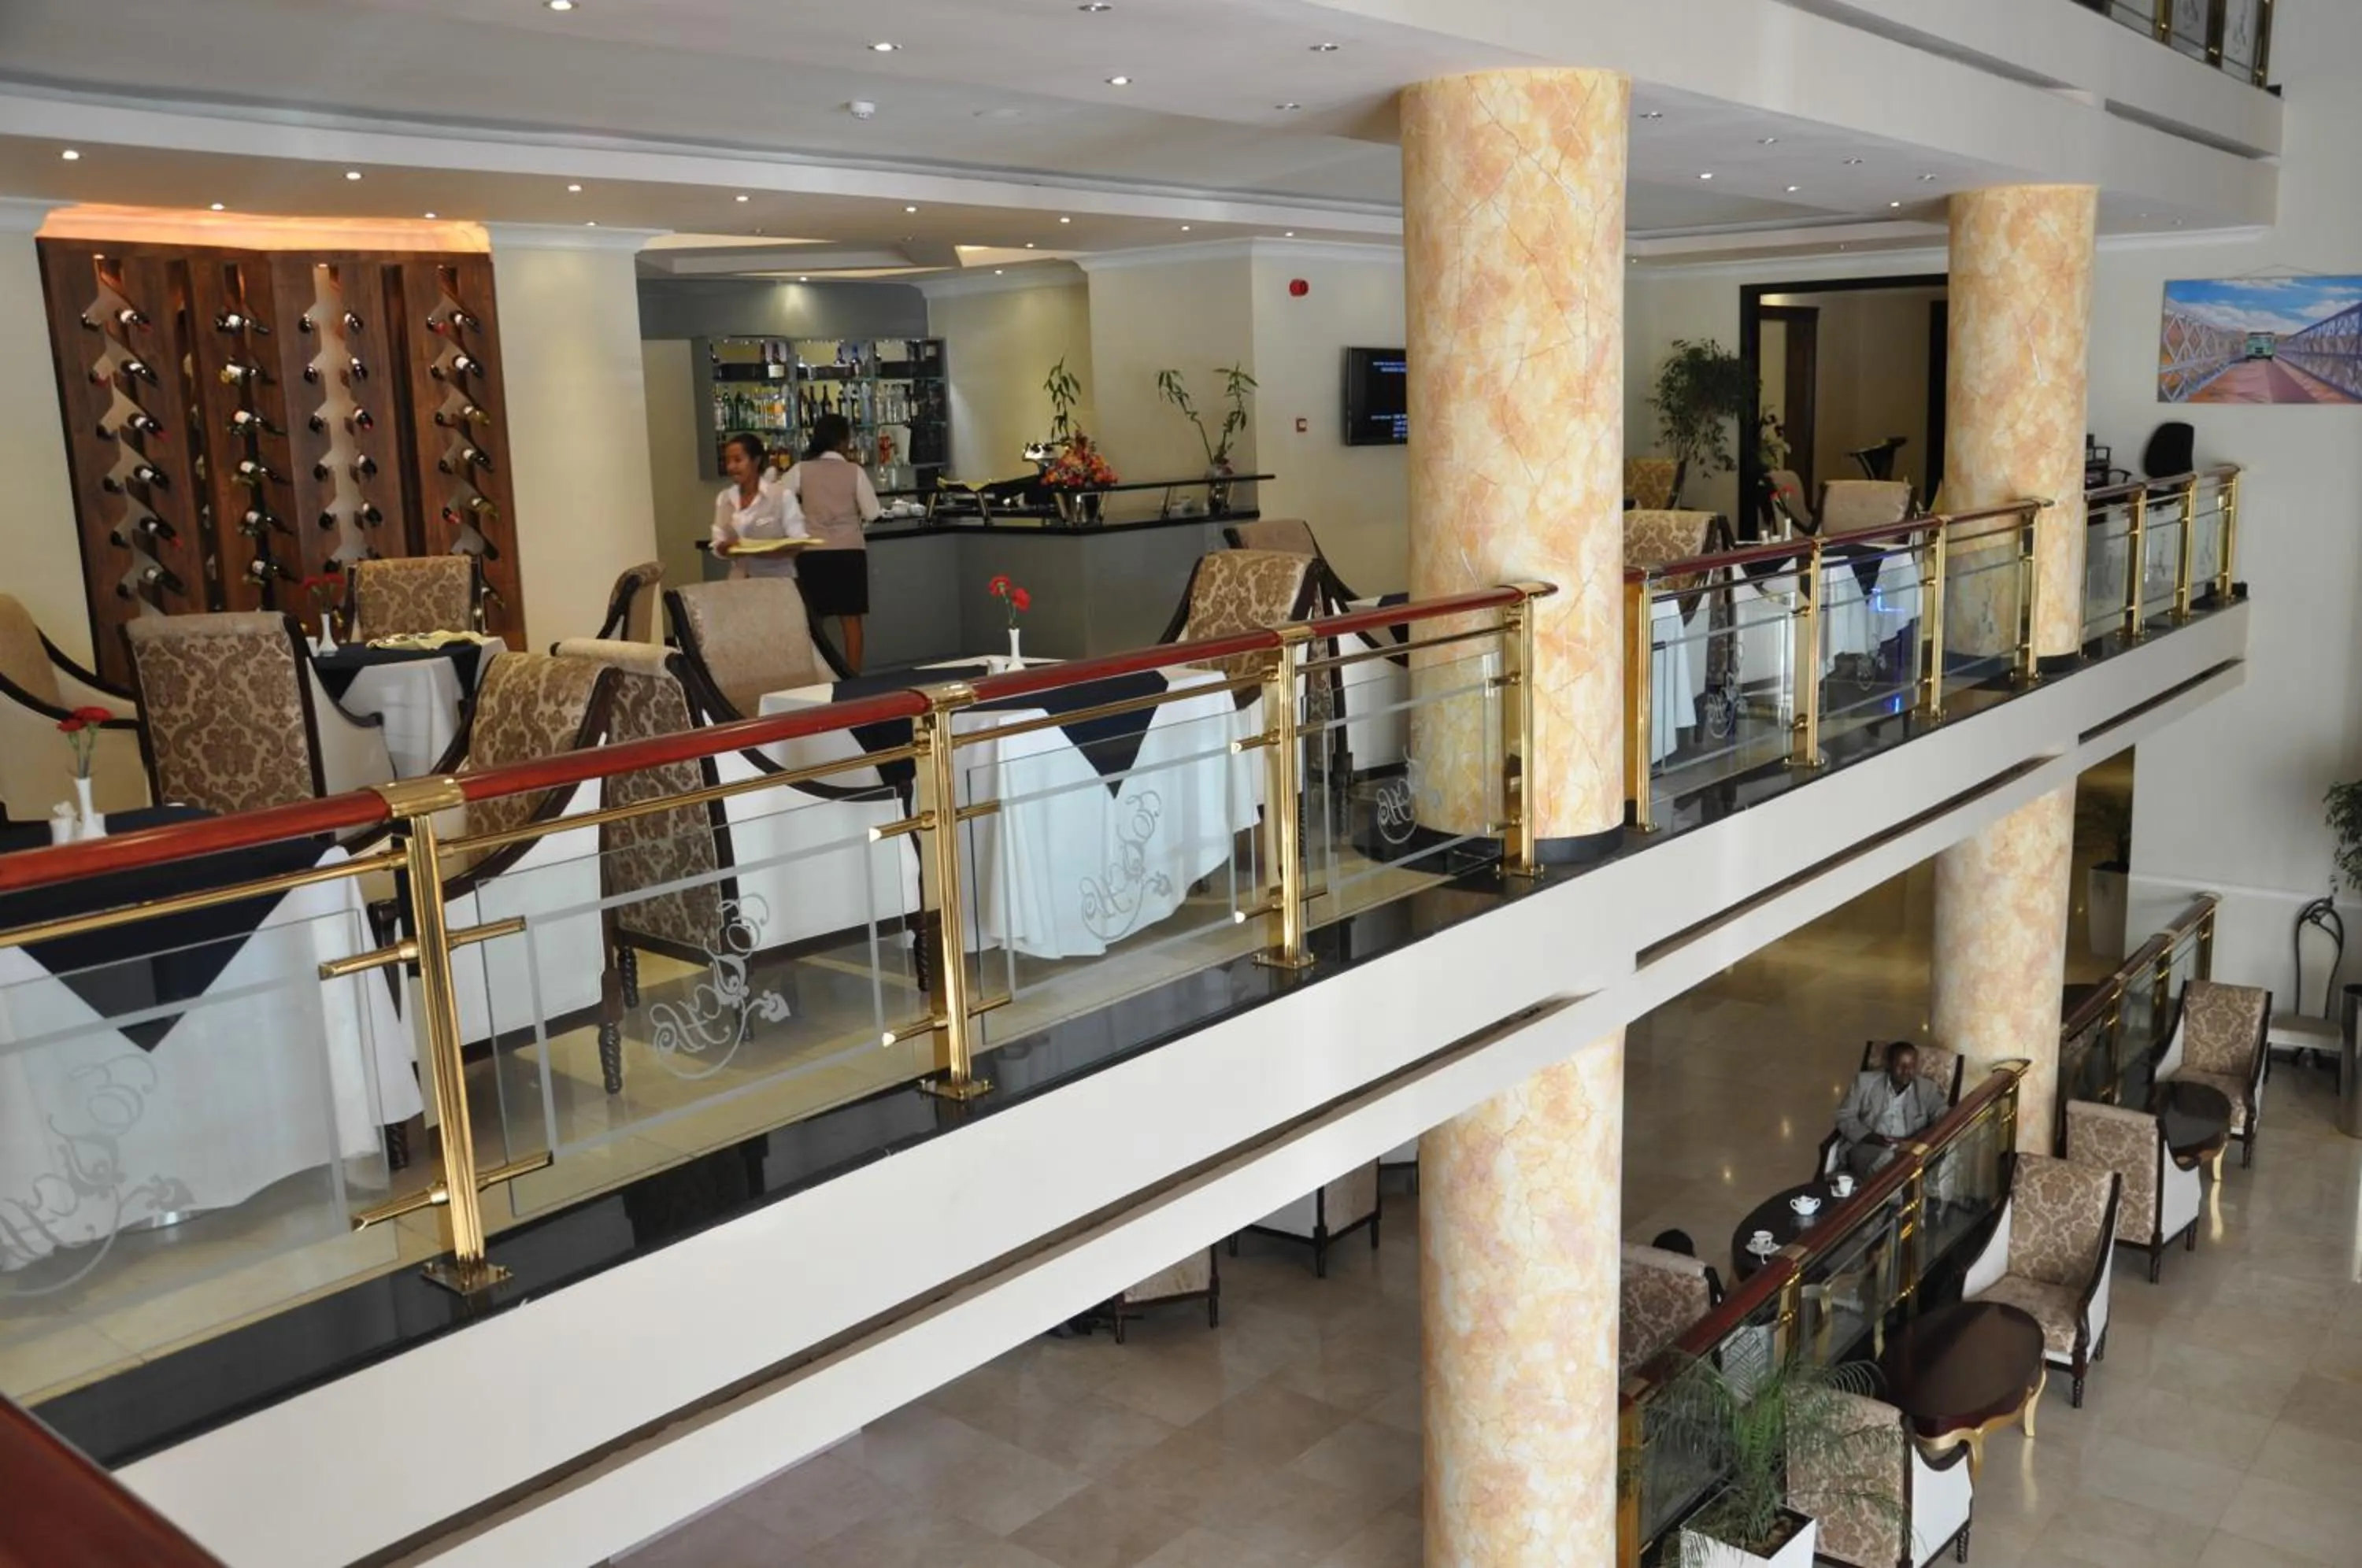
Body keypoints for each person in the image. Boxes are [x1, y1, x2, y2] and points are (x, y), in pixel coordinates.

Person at [781, 412, 881, 671]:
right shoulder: (854, 471)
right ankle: (853, 677)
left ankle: (816, 676)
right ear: (842, 441)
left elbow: (776, 499)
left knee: (813, 621)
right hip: (849, 553)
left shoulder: (801, 470)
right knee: (851, 621)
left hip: (812, 552)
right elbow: (872, 512)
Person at [1833, 1041, 1946, 1178]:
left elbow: (1944, 1116)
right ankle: (1899, 1194)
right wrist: (1870, 1136)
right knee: (1888, 1162)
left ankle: (1894, 1195)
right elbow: (1844, 1115)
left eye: (1911, 1066)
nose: (1907, 1071)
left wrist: (1915, 1140)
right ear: (1889, 1065)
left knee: (1906, 1162)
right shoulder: (1864, 1083)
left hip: (1910, 1148)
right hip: (1869, 1146)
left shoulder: (1927, 1089)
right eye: (1901, 1065)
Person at [709, 432, 805, 579]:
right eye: (727, 461)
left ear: (756, 461)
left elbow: (798, 542)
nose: (731, 467)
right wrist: (726, 547)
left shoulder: (781, 496)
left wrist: (765, 550)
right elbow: (718, 543)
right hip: (739, 581)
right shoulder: (725, 499)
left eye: (738, 460)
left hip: (778, 581)